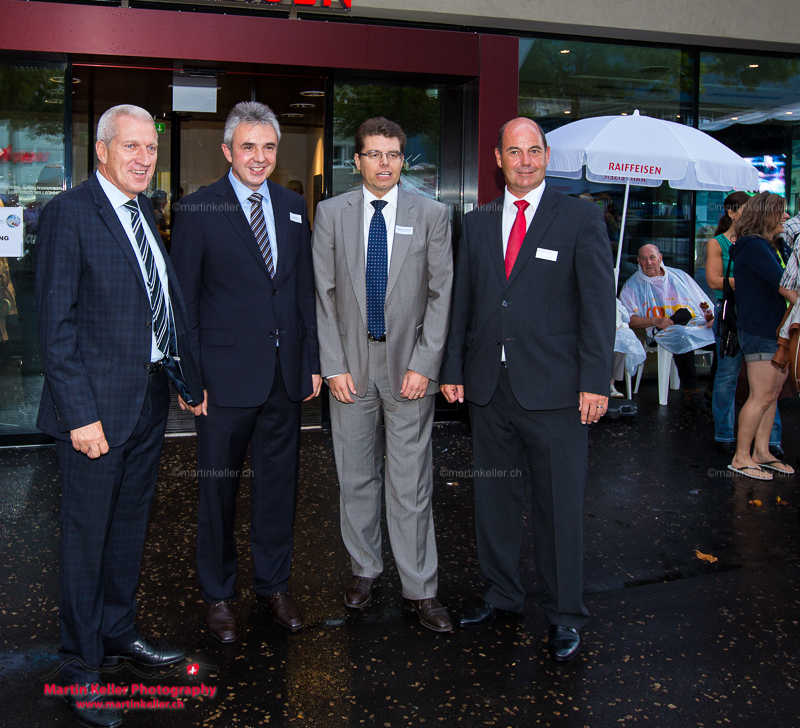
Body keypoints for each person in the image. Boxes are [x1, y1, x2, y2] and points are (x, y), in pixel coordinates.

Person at [35, 104, 204, 728]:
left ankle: (116, 633)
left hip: (147, 403)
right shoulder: (69, 214)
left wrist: (188, 380)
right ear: (101, 151)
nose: (142, 158)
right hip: (94, 417)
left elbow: (163, 308)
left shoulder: (143, 215)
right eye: (129, 146)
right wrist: (80, 415)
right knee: (84, 541)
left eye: (150, 149)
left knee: (128, 533)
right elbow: (54, 327)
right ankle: (80, 668)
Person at [439, 117, 615, 661]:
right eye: (514, 151)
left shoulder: (581, 218)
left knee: (558, 507)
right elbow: (461, 304)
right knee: (493, 499)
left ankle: (565, 615)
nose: (525, 160)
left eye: (534, 150)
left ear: (546, 156)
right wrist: (453, 369)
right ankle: (502, 595)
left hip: (558, 393)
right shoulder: (475, 223)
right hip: (490, 390)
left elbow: (597, 307)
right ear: (497, 157)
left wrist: (595, 380)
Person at [170, 102, 321, 643]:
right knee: (218, 491)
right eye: (249, 146)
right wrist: (190, 379)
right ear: (228, 150)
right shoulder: (197, 210)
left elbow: (302, 292)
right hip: (222, 381)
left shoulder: (294, 205)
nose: (260, 157)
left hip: (284, 378)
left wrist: (313, 365)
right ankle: (217, 595)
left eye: (269, 147)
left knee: (279, 488)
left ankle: (273, 586)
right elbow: (182, 303)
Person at [312, 116, 453, 632]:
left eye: (393, 154)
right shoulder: (330, 214)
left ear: (403, 160)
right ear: (357, 161)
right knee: (355, 478)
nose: (384, 163)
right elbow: (322, 296)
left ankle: (420, 588)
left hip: (409, 369)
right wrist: (332, 366)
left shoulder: (433, 215)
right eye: (373, 154)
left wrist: (425, 363)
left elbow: (442, 295)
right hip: (349, 368)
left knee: (411, 483)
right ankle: (365, 570)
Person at [705, 192, 783, 457]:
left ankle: (770, 442)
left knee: (768, 388)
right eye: (745, 208)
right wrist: (751, 280)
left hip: (755, 311)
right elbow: (715, 282)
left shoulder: (768, 242)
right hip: (731, 311)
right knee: (729, 375)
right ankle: (726, 436)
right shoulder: (722, 243)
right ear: (731, 212)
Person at [727, 193, 794, 480]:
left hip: (772, 328)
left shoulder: (767, 245)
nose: (786, 218)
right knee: (762, 395)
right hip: (760, 329)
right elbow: (784, 285)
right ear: (765, 215)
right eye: (781, 212)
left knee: (772, 395)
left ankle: (762, 452)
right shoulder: (754, 246)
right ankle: (741, 457)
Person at [620, 244, 715, 411]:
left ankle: (713, 389)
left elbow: (702, 301)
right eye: (644, 258)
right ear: (638, 261)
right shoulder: (632, 286)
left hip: (692, 325)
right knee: (680, 336)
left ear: (660, 258)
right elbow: (629, 320)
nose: (648, 262)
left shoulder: (679, 277)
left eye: (652, 258)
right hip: (659, 333)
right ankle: (692, 390)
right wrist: (655, 321)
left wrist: (710, 317)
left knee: (722, 340)